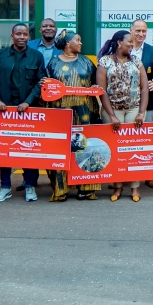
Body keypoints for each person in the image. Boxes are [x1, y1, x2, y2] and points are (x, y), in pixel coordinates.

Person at [45, 31, 110, 201]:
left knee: (86, 147)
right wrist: (44, 84)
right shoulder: (53, 63)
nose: (80, 44)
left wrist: (96, 86)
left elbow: (98, 82)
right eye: (77, 40)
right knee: (61, 148)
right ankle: (61, 189)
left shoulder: (87, 62)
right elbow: (47, 88)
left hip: (85, 112)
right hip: (60, 113)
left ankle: (86, 188)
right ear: (67, 43)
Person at [0, 23, 47, 203]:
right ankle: (5, 186)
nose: (22, 37)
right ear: (12, 36)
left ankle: (29, 186)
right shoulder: (1, 55)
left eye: (25, 34)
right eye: (18, 34)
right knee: (4, 149)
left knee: (28, 148)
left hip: (27, 111)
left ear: (29, 37)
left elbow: (41, 82)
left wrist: (28, 102)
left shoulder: (36, 56)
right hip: (4, 111)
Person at [98, 29, 148, 202]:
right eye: (129, 42)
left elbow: (144, 88)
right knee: (115, 148)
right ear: (119, 42)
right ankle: (118, 186)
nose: (132, 45)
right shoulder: (104, 62)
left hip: (133, 108)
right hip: (112, 110)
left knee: (132, 147)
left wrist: (141, 113)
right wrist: (111, 115)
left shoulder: (136, 61)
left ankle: (135, 187)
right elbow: (101, 90)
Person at [128, 18, 153, 189]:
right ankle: (122, 176)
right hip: (124, 104)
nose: (141, 34)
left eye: (144, 31)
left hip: (146, 103)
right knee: (125, 140)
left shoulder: (152, 52)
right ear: (131, 31)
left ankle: (150, 174)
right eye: (138, 31)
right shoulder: (122, 49)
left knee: (147, 139)